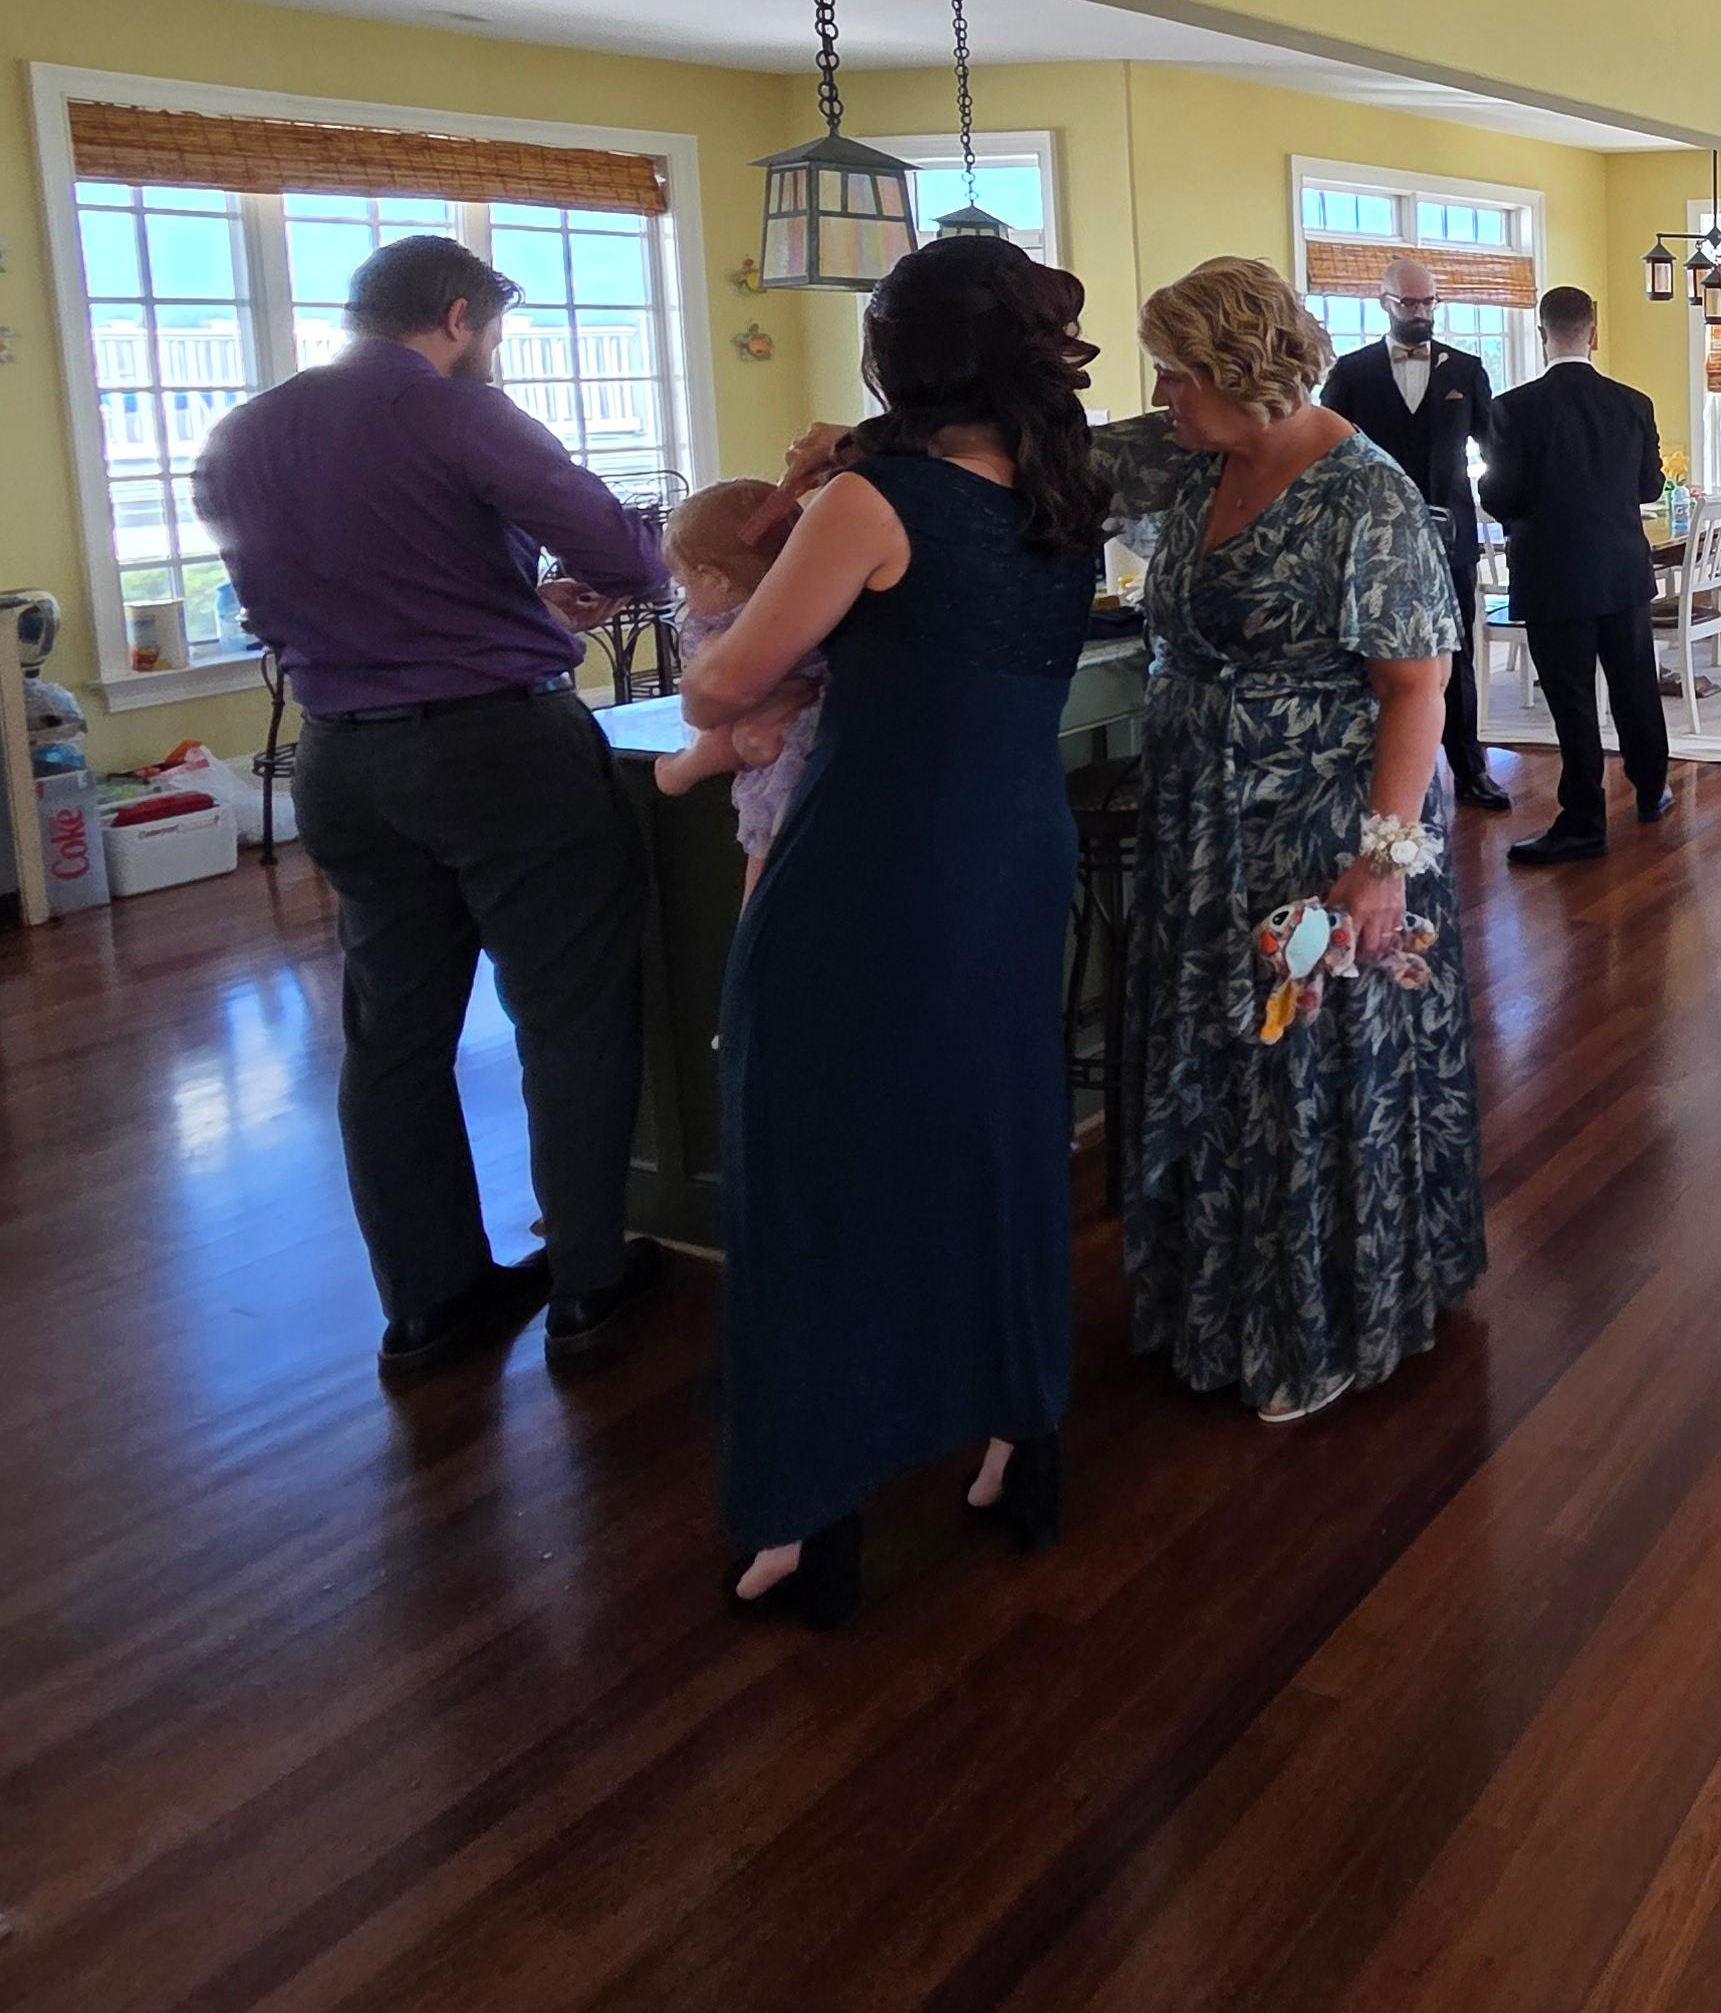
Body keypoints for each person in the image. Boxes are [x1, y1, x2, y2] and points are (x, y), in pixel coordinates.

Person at [685, 237, 1109, 1625]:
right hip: (1014, 853)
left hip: (873, 867)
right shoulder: (1064, 490)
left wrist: (790, 527)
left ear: (900, 361)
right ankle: (1019, 1436)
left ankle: (812, 1507)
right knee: (998, 1143)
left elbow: (722, 686)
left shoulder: (874, 503)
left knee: (809, 1166)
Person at [192, 234, 671, 1383]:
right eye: (491, 331)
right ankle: (588, 1285)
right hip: (498, 750)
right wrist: (600, 582)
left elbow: (280, 600)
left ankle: (428, 1302)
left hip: (340, 757)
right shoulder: (455, 411)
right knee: (567, 1010)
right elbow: (620, 547)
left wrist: (508, 598)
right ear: (458, 317)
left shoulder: (242, 432)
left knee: (392, 1035)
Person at [1104, 258, 1485, 1425]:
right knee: (1216, 1057)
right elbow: (1040, 460)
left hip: (1323, 832)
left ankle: (1320, 1328)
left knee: (1303, 1070)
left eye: (1177, 374)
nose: (1160, 394)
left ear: (1242, 372)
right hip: (1200, 824)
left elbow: (1417, 689)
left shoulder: (1365, 496)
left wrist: (1379, 869)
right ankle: (1216, 1309)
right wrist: (868, 451)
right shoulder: (1191, 453)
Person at [1477, 284, 1671, 867]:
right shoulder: (1633, 403)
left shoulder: (1512, 408)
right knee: (1635, 684)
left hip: (1552, 572)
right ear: (1594, 333)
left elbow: (1500, 494)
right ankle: (1651, 789)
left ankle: (1584, 820)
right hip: (1622, 568)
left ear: (1542, 335)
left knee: (1572, 699)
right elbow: (1650, 487)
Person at [1326, 255, 1513, 813]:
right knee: (1374, 658)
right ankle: (1384, 779)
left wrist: (1499, 507)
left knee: (1456, 654)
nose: (1421, 312)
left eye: (1429, 301)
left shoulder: (1466, 369)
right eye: (1410, 302)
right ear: (1384, 302)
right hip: (1373, 541)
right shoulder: (1352, 372)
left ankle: (1470, 769)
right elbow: (1328, 454)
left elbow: (1496, 449)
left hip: (1450, 538)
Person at [650, 479, 821, 891]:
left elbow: (716, 713)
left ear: (715, 578)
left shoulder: (731, 631)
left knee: (762, 867)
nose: (684, 597)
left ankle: (680, 772)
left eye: (685, 584)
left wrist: (683, 767)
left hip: (783, 754)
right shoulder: (814, 598)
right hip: (818, 734)